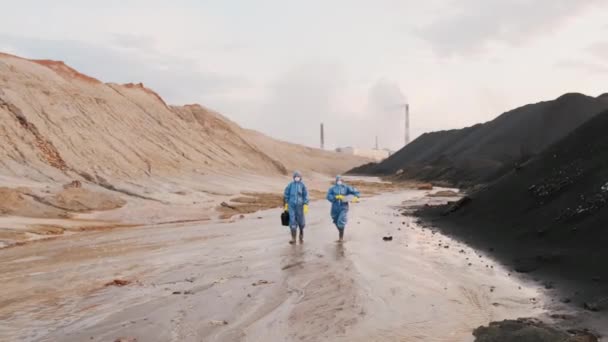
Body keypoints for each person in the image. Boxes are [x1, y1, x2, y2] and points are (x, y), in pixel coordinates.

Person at [326, 175, 360, 242]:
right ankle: (340, 231)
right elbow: (328, 196)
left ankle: (341, 237)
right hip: (334, 207)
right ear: (336, 181)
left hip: (343, 207)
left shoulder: (346, 187)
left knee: (341, 221)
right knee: (335, 221)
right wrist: (335, 197)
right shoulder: (332, 188)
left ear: (342, 181)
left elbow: (355, 191)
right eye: (338, 180)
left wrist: (356, 197)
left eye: (340, 180)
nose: (339, 181)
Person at [283, 171, 309, 244]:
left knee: (301, 222)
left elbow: (305, 195)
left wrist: (305, 204)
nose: (297, 178)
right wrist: (286, 203)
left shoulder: (303, 185)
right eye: (295, 177)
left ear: (300, 178)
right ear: (293, 177)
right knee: (292, 220)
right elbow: (286, 194)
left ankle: (301, 232)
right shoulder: (290, 185)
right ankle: (293, 238)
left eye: (298, 177)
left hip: (300, 206)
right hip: (291, 206)